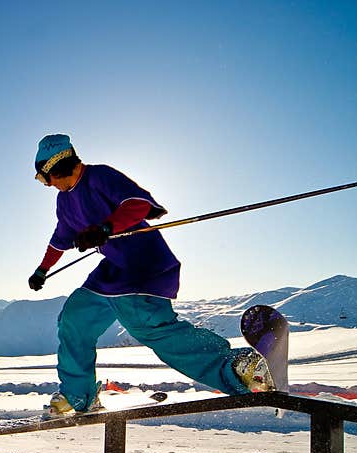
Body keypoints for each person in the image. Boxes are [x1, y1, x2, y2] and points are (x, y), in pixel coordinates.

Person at [28, 133, 273, 416]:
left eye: (44, 178)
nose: (46, 185)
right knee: (74, 319)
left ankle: (237, 368)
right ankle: (77, 395)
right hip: (112, 272)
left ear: (57, 168)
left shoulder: (100, 176)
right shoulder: (64, 201)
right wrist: (42, 270)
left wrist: (106, 228)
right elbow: (60, 238)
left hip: (144, 264)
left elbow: (137, 204)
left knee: (150, 327)